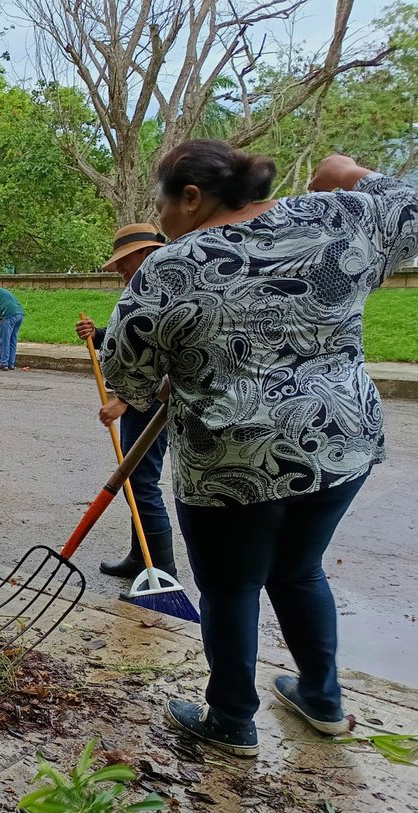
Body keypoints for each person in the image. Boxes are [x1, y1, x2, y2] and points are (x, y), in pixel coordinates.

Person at [101, 141, 418, 758]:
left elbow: (128, 374)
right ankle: (323, 701)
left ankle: (230, 719)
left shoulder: (172, 267)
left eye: (161, 205)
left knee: (230, 585)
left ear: (191, 198)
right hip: (336, 443)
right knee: (300, 569)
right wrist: (351, 175)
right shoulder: (336, 218)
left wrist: (174, 375)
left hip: (231, 462)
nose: (161, 220)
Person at [75, 225, 175, 578]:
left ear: (146, 254)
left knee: (142, 484)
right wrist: (100, 335)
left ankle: (161, 568)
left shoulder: (167, 291)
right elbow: (135, 343)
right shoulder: (146, 289)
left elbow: (165, 360)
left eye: (124, 261)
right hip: (140, 406)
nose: (119, 269)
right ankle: (139, 556)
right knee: (135, 482)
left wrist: (126, 400)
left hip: (149, 408)